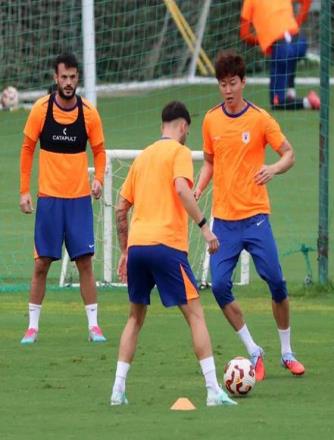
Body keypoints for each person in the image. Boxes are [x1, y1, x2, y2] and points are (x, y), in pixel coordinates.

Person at [110, 101, 236, 407]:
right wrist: (204, 227)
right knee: (195, 315)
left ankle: (117, 390)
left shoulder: (143, 157)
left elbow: (120, 208)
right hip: (166, 246)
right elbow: (181, 189)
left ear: (161, 126)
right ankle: (213, 391)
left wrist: (125, 251)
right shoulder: (179, 153)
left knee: (135, 318)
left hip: (138, 247)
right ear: (183, 127)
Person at [195, 50, 305, 382]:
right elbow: (210, 162)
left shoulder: (259, 119)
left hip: (256, 218)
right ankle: (253, 349)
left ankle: (287, 352)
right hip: (224, 223)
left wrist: (273, 168)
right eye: (222, 84)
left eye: (233, 83)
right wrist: (198, 188)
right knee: (219, 286)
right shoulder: (211, 120)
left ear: (243, 82)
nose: (227, 90)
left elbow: (289, 154)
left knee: (277, 282)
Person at [19, 53, 107, 344]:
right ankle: (32, 327)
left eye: (72, 77)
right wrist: (24, 191)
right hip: (49, 201)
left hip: (79, 202)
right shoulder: (40, 110)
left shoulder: (89, 113)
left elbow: (100, 152)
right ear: (55, 78)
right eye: (64, 77)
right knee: (41, 263)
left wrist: (99, 178)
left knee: (85, 263)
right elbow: (27, 149)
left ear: (77, 78)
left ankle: (94, 326)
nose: (68, 82)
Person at [240, 0, 320, 110]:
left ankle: (308, 102)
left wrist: (264, 40)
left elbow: (244, 34)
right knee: (289, 58)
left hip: (281, 47)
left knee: (276, 102)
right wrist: (297, 23)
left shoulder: (249, 1)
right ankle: (290, 92)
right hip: (300, 41)